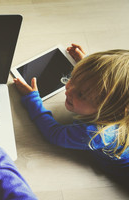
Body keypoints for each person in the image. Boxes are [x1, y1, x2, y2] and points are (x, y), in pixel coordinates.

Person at [14, 43, 129, 181]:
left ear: (108, 110)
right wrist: (86, 66)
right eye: (73, 78)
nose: (68, 89)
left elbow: (54, 134)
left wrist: (32, 100)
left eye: (81, 94)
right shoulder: (117, 103)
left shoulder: (95, 133)